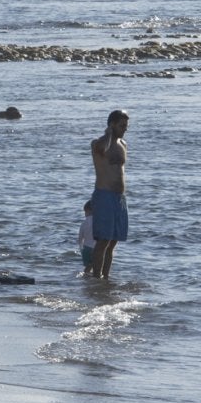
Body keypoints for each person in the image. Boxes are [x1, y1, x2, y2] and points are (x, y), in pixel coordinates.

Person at [88, 109, 129, 277]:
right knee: (103, 240)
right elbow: (102, 149)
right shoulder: (98, 143)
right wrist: (109, 135)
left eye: (126, 126)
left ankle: (106, 278)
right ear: (112, 125)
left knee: (113, 242)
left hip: (119, 198)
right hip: (104, 195)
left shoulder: (123, 144)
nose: (125, 129)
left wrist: (115, 137)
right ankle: (96, 277)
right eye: (121, 125)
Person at [77, 198, 95, 271]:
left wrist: (81, 249)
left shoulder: (83, 223)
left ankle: (85, 279)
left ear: (88, 211)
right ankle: (95, 279)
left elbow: (80, 239)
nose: (85, 214)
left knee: (88, 267)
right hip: (97, 248)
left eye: (85, 212)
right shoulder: (99, 222)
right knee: (96, 266)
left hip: (86, 249)